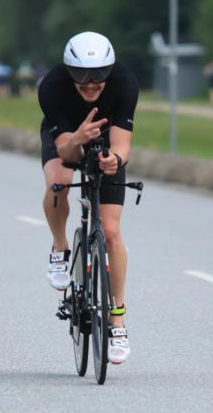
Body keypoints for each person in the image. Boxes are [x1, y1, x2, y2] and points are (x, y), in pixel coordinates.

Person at [38, 31, 139, 365]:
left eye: (99, 75)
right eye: (81, 75)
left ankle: (118, 321)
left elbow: (123, 144)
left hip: (107, 139)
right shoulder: (52, 87)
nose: (91, 83)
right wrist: (78, 137)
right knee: (59, 183)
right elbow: (65, 149)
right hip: (67, 134)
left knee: (110, 232)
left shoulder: (125, 84)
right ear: (69, 71)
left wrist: (116, 160)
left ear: (111, 70)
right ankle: (59, 247)